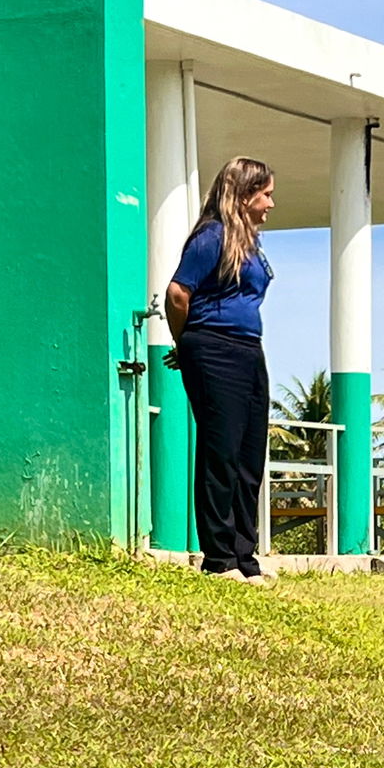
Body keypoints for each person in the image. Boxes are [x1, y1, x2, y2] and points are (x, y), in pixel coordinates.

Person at [165, 157, 276, 582]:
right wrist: (187, 343)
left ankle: (245, 559)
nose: (270, 202)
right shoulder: (211, 236)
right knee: (221, 452)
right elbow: (178, 293)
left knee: (250, 456)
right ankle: (219, 560)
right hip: (212, 347)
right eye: (265, 194)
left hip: (249, 349)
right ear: (244, 195)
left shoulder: (250, 242)